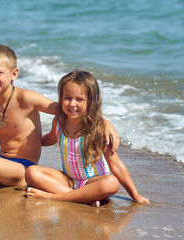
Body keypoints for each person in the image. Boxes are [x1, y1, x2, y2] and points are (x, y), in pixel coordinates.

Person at [0, 45, 120, 196]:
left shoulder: (26, 98)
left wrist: (104, 122)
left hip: (23, 168)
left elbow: (67, 108)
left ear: (14, 74)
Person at [25, 70, 149, 206]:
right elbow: (50, 138)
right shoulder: (59, 121)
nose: (72, 104)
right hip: (69, 180)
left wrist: (135, 195)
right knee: (31, 172)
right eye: (67, 98)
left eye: (79, 99)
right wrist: (31, 142)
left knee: (112, 183)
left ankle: (53, 197)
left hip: (93, 182)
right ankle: (83, 198)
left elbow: (116, 164)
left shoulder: (97, 129)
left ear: (90, 101)